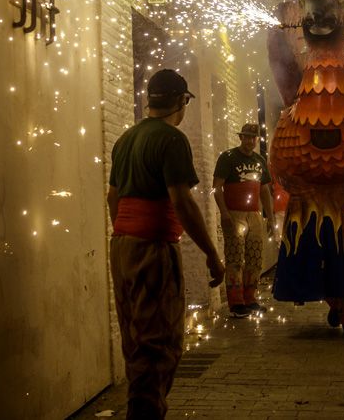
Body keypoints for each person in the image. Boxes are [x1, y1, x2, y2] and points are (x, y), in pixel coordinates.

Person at [107, 68, 224, 419]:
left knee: (135, 338)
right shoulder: (172, 139)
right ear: (180, 101)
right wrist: (211, 253)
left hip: (123, 248)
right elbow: (182, 202)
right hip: (153, 250)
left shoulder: (125, 140)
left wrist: (127, 233)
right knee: (159, 342)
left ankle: (141, 408)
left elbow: (113, 198)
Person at [213, 123, 276, 318]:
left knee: (255, 257)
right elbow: (217, 187)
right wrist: (224, 213)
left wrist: (270, 217)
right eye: (246, 137)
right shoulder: (228, 158)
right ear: (241, 138)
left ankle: (251, 298)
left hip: (254, 214)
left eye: (253, 137)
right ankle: (236, 302)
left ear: (257, 139)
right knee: (235, 256)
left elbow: (264, 190)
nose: (250, 141)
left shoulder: (259, 160)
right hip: (235, 213)